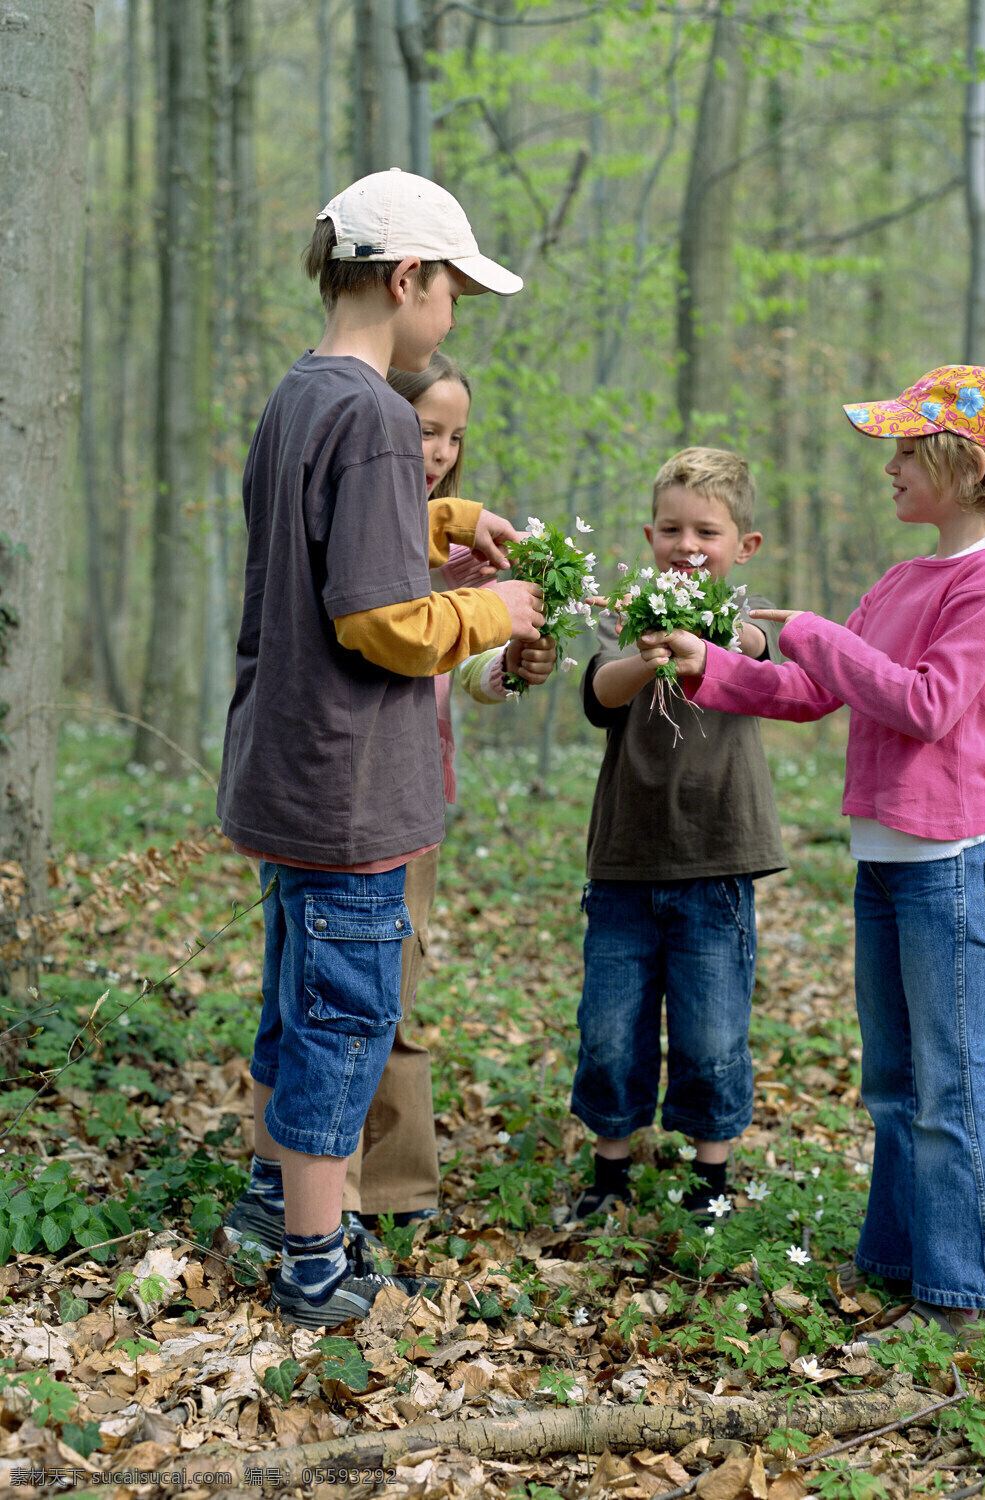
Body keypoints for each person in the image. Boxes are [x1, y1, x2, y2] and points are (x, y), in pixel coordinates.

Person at [644, 366, 985, 1340]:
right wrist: (715, 667)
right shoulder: (905, 578)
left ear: (965, 461)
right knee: (895, 1082)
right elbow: (812, 691)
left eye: (909, 450)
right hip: (888, 862)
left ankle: (965, 1300)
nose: (893, 468)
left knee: (950, 1083)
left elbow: (926, 705)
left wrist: (817, 632)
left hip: (951, 866)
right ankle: (901, 1264)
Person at [217, 168, 545, 1329]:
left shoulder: (306, 393)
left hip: (291, 764)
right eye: (450, 284)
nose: (454, 306)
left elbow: (331, 539)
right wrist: (489, 614)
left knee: (297, 998)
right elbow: (373, 619)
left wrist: (447, 521)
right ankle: (313, 1255)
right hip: (350, 781)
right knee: (345, 1017)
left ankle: (271, 1196)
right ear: (405, 278)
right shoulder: (369, 414)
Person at [341, 353, 557, 1236]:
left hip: (420, 794)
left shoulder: (467, 555)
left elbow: (466, 674)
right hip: (344, 795)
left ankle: (397, 1187)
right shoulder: (362, 528)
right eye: (427, 428)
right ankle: (320, 1188)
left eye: (454, 436)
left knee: (397, 987)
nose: (440, 450)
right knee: (332, 994)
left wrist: (509, 665)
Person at [569, 447, 787, 1220]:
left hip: (716, 862)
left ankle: (710, 1181)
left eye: (707, 531)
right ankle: (610, 1177)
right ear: (649, 536)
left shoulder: (745, 626)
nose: (688, 545)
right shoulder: (624, 620)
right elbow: (599, 689)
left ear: (742, 547)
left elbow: (765, 661)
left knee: (713, 1031)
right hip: (625, 864)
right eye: (671, 529)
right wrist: (646, 655)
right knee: (609, 1028)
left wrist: (719, 645)